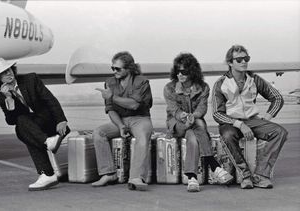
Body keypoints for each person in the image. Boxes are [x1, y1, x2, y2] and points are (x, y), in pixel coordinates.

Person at [212, 45, 288, 189]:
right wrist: (239, 124)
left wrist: (266, 117)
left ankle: (261, 175)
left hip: (253, 120)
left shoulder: (254, 79)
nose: (243, 62)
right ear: (230, 63)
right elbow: (217, 113)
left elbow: (277, 98)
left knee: (280, 132)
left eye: (246, 58)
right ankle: (245, 176)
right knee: (227, 135)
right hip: (231, 122)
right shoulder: (221, 83)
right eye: (239, 59)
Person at [0, 58, 70, 191]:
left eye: (9, 70)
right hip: (36, 130)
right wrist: (9, 99)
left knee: (25, 131)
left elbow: (50, 99)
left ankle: (46, 173)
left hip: (51, 123)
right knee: (21, 125)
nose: (9, 74)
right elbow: (11, 121)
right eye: (4, 73)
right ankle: (47, 168)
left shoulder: (30, 79)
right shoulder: (1, 98)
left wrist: (62, 120)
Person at [163, 52, 233, 192]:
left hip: (194, 123)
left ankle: (192, 177)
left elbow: (202, 108)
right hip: (176, 124)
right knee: (199, 124)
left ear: (192, 72)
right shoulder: (169, 88)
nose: (180, 74)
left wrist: (192, 116)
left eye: (184, 71)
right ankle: (214, 165)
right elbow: (173, 109)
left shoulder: (203, 87)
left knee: (193, 138)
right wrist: (183, 116)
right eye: (177, 71)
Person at [93, 51, 153, 191]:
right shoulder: (110, 82)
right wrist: (120, 126)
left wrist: (112, 96)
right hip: (120, 120)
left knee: (142, 138)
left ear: (129, 68)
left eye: (118, 68)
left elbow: (134, 104)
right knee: (98, 132)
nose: (114, 71)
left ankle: (136, 177)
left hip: (140, 119)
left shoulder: (142, 81)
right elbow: (110, 109)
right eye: (112, 68)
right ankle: (108, 173)